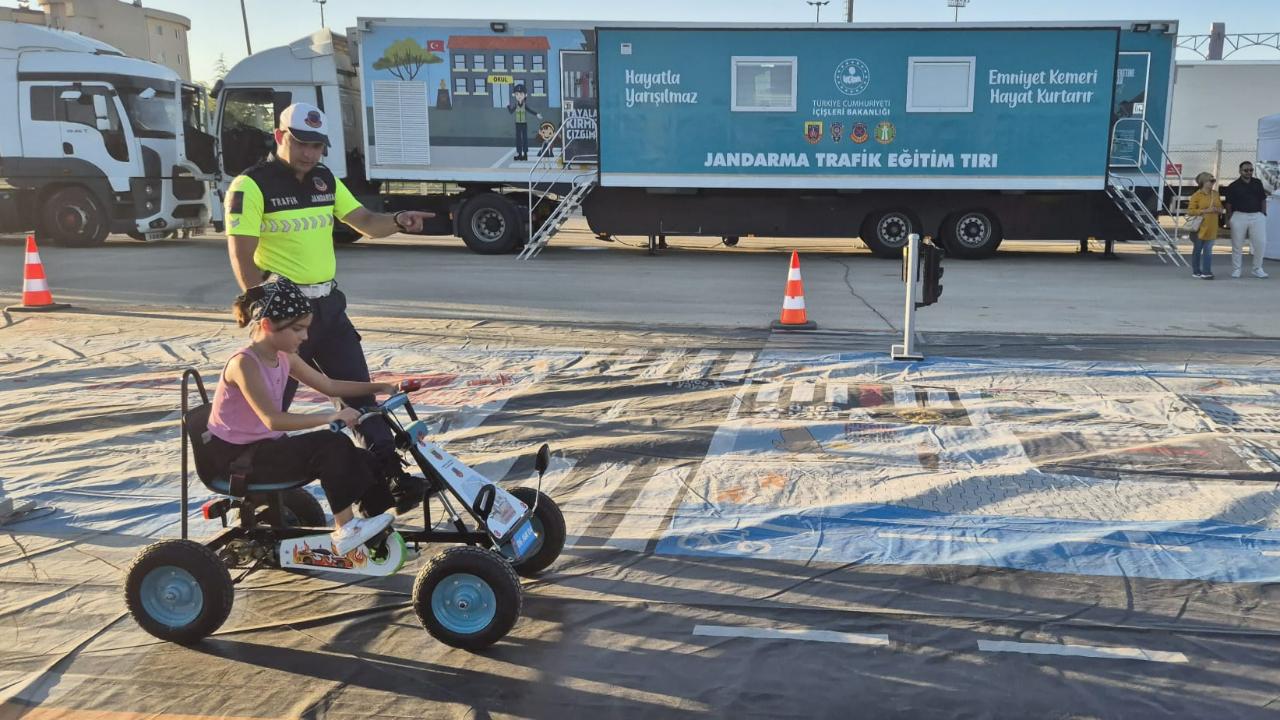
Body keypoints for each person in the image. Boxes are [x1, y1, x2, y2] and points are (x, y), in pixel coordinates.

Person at [224, 102, 434, 512]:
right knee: (271, 409)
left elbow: (365, 222)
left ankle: (389, 477)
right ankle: (262, 494)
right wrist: (263, 313)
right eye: (302, 144)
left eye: (319, 146)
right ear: (280, 136)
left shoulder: (324, 179)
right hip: (284, 314)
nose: (311, 154)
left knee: (358, 394)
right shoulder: (250, 186)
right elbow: (241, 255)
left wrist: (398, 220)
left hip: (329, 307)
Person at [207, 278, 413, 555]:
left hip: (265, 448)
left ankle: (377, 531)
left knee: (364, 458)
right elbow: (272, 419)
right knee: (332, 445)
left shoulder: (283, 355)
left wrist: (381, 387)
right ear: (267, 325)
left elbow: (329, 385)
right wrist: (329, 417)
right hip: (238, 459)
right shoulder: (244, 364)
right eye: (298, 329)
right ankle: (347, 528)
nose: (305, 337)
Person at [1224, 161, 1269, 278]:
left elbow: (1263, 199)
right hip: (1239, 216)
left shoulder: (1257, 183)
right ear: (1240, 171)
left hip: (1257, 216)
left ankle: (1257, 268)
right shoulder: (1233, 186)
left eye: (1251, 170)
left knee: (1260, 243)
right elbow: (1228, 204)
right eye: (1246, 170)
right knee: (1237, 244)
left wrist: (1263, 213)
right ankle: (1236, 269)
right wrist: (1229, 218)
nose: (1249, 172)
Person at [1185, 171, 1222, 279]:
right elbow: (1190, 211)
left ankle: (1207, 272)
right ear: (1203, 182)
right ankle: (1196, 271)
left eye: (1213, 180)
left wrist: (1218, 209)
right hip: (1199, 227)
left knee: (1208, 251)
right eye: (1211, 180)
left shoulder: (1215, 194)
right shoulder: (1197, 195)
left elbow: (1220, 207)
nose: (1213, 182)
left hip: (1212, 226)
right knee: (1197, 249)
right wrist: (1205, 211)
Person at [507, 84, 542, 161]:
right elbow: (511, 112)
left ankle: (525, 155)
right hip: (517, 124)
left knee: (524, 139)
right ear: (515, 95)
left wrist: (537, 114)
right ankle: (519, 154)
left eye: (521, 94)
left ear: (525, 95)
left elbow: (530, 110)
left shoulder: (524, 105)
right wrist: (508, 106)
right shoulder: (516, 105)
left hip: (524, 124)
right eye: (517, 94)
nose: (519, 96)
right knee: (518, 139)